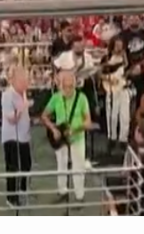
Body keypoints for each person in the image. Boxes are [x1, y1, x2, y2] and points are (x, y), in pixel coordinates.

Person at [41, 70, 92, 204]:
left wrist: (75, 129)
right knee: (61, 165)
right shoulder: (56, 98)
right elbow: (44, 116)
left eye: (71, 87)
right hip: (61, 138)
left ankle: (79, 196)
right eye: (66, 87)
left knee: (78, 167)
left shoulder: (82, 98)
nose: (68, 90)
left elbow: (88, 122)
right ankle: (62, 191)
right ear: (61, 86)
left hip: (77, 137)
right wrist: (53, 129)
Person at [0, 66, 33, 207]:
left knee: (27, 164)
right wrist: (21, 109)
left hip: (24, 136)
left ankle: (23, 190)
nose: (26, 83)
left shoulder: (23, 93)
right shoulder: (7, 95)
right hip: (12, 137)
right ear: (14, 81)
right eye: (23, 80)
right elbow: (11, 119)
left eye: (27, 80)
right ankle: (11, 197)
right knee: (13, 166)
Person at [101, 37, 133, 150]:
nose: (119, 48)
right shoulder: (107, 58)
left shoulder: (127, 59)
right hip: (111, 89)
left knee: (125, 116)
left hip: (124, 89)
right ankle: (112, 138)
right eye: (117, 45)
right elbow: (100, 73)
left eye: (121, 45)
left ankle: (123, 139)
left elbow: (131, 72)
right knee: (112, 115)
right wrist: (109, 79)